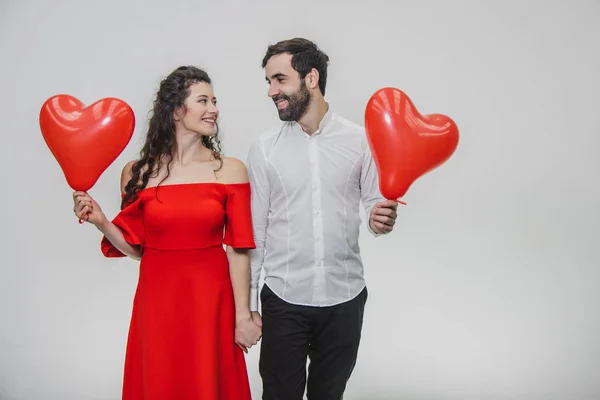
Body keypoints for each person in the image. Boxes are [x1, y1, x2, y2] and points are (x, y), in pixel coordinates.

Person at [72, 66, 261, 400]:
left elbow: (239, 249)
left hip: (211, 300)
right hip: (157, 300)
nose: (213, 108)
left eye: (214, 100)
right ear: (176, 110)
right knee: (160, 379)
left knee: (208, 381)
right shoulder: (138, 173)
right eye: (203, 100)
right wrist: (102, 221)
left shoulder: (230, 169)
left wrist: (243, 316)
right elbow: (137, 249)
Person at [246, 38, 399, 399]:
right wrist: (249, 305)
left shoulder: (361, 141)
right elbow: (256, 231)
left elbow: (376, 207)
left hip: (345, 298)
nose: (272, 91)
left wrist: (383, 221)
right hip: (284, 299)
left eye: (280, 80)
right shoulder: (264, 149)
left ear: (311, 77)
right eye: (268, 82)